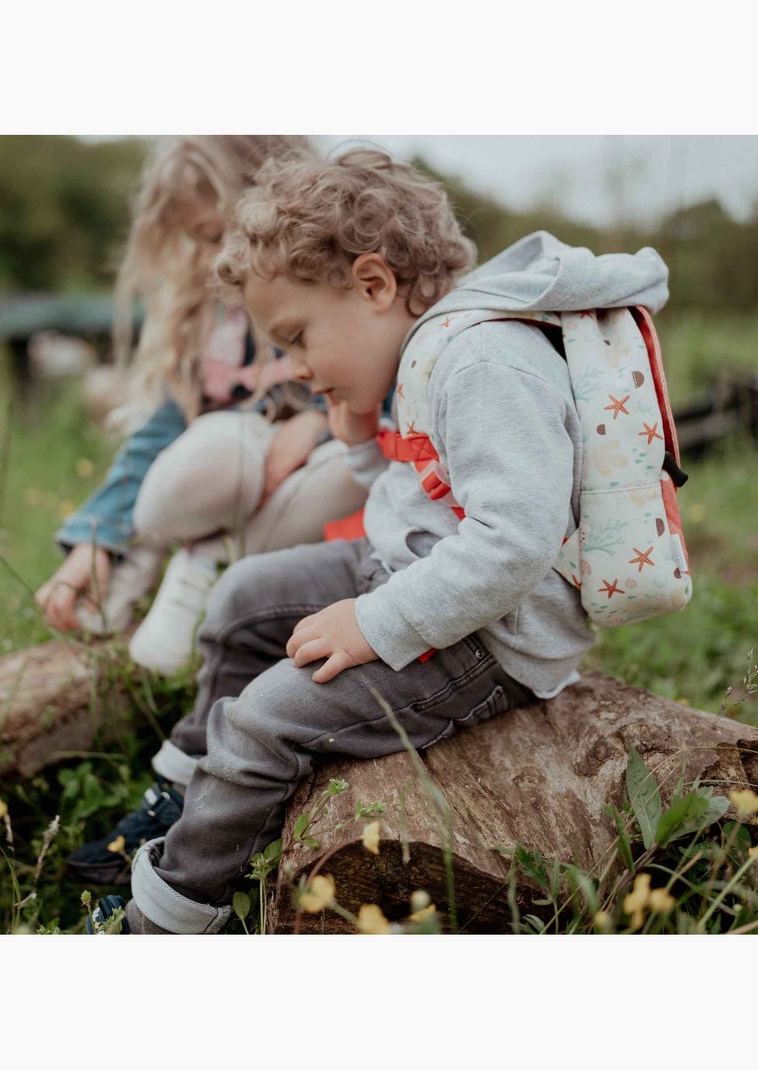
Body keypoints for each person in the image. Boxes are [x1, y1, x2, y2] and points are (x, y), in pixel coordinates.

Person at [81, 148, 669, 934]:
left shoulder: (487, 358)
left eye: (297, 338)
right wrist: (362, 443)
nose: (293, 368)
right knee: (240, 596)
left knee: (269, 713)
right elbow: (424, 492)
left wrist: (371, 624)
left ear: (373, 285)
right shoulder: (429, 347)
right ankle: (187, 790)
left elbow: (514, 543)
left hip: (487, 634)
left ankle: (170, 915)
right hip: (413, 576)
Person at [34, 136, 369, 676]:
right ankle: (142, 559)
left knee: (347, 470)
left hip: (305, 492)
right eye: (201, 241)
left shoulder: (339, 292)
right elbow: (160, 431)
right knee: (215, 450)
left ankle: (212, 565)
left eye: (221, 235)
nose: (215, 257)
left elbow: (387, 400)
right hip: (228, 470)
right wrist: (93, 539)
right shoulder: (209, 318)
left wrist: (315, 423)